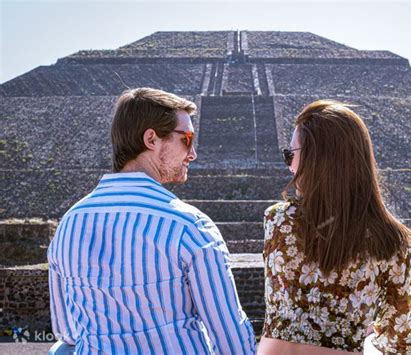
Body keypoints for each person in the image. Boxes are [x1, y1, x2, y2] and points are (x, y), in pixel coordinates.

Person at [47, 88, 256, 354]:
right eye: (187, 139)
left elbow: (67, 332)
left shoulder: (68, 226)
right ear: (151, 139)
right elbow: (231, 340)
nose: (192, 154)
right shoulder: (189, 227)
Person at [258, 100, 411, 354]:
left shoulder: (277, 221)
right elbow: (404, 335)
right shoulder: (386, 238)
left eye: (290, 155)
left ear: (317, 159)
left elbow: (283, 309)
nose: (290, 166)